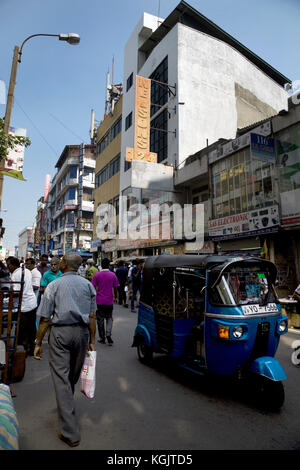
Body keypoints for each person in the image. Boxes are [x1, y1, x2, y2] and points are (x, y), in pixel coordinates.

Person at [33, 253, 97, 448]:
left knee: (63, 379)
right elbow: (92, 316)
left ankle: (70, 433)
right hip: (82, 334)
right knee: (70, 378)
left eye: (60, 260)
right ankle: (67, 410)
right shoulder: (88, 285)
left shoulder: (54, 285)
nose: (58, 262)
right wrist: (92, 340)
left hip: (61, 333)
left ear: (65, 264)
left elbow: (44, 318)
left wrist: (38, 342)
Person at [6, 257, 37, 356]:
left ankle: (21, 352)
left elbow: (17, 292)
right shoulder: (27, 271)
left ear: (13, 265)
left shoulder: (15, 274)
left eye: (9, 265)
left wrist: (6, 295)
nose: (8, 267)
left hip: (24, 306)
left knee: (21, 330)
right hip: (32, 303)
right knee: (31, 328)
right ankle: (32, 348)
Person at [92, 258, 119, 345]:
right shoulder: (113, 275)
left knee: (100, 320)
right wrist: (116, 297)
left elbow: (92, 287)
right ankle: (108, 334)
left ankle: (102, 338)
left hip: (99, 301)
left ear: (101, 265)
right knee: (109, 318)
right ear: (108, 265)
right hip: (109, 301)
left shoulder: (97, 275)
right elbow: (115, 287)